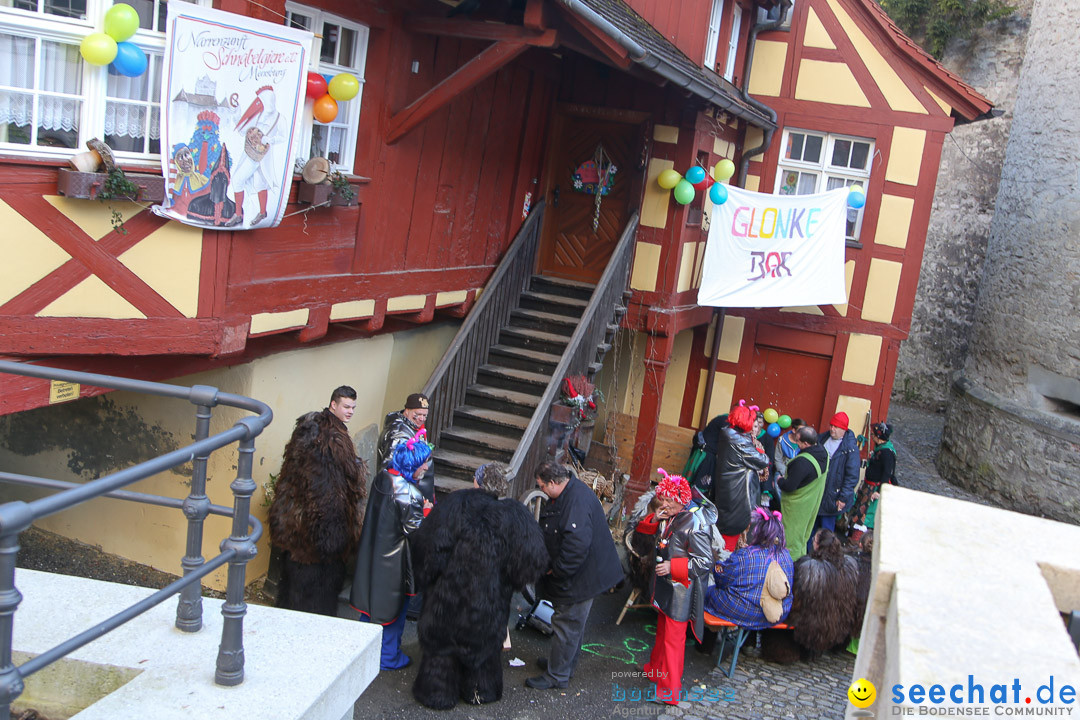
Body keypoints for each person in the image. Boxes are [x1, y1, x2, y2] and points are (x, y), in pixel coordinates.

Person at [409, 472, 548, 709]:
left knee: (442, 652)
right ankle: (480, 691)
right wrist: (507, 584)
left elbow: (424, 546)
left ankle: (438, 693)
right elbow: (533, 563)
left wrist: (428, 581)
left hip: (445, 602)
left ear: (477, 483)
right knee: (484, 653)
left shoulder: (454, 504)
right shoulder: (515, 516)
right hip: (489, 606)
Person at [268, 386, 367, 615]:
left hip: (295, 526)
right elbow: (326, 493)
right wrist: (334, 537)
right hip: (320, 535)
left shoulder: (309, 430)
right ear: (333, 405)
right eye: (346, 406)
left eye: (353, 407)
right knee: (315, 597)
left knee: (292, 587)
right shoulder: (330, 440)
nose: (350, 411)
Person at [527, 461, 623, 690]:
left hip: (581, 577)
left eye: (542, 486)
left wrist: (555, 570)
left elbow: (576, 547)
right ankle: (563, 665)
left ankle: (557, 676)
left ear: (553, 483)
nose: (541, 490)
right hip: (584, 572)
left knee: (567, 624)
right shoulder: (571, 492)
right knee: (572, 625)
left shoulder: (576, 502)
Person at [350, 430, 434, 670]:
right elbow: (417, 533)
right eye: (423, 465)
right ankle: (388, 658)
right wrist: (427, 512)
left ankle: (360, 652)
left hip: (372, 554)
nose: (425, 470)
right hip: (395, 565)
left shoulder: (383, 478)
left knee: (369, 607)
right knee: (392, 613)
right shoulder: (410, 494)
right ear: (414, 465)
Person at [636, 470, 715, 706]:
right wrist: (654, 518)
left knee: (673, 640)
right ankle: (655, 670)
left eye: (669, 500)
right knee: (662, 633)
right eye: (663, 499)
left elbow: (704, 562)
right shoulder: (669, 513)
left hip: (682, 589)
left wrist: (673, 566)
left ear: (681, 499)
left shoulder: (696, 521)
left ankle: (669, 692)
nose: (665, 504)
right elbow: (644, 535)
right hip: (667, 587)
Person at [705, 506, 793, 630]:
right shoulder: (787, 556)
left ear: (757, 532)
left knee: (708, 591)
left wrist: (717, 566)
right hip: (780, 613)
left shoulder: (746, 554)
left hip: (743, 611)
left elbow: (722, 578)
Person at [713, 400, 769, 552]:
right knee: (730, 540)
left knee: (725, 533)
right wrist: (758, 449)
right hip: (737, 497)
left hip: (727, 491)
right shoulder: (740, 441)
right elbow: (763, 460)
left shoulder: (727, 433)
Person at [778, 426, 829, 561]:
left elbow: (789, 486)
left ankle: (788, 563)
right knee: (803, 535)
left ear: (806, 444)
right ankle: (801, 562)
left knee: (791, 537)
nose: (796, 443)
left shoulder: (802, 462)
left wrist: (779, 481)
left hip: (797, 507)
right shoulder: (824, 453)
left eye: (798, 441)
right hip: (812, 503)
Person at [813, 412, 860, 543]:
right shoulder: (822, 439)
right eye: (831, 425)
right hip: (818, 490)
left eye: (836, 427)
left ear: (844, 429)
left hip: (833, 493)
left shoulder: (850, 449)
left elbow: (852, 476)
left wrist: (843, 497)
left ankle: (824, 556)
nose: (832, 429)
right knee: (812, 526)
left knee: (826, 531)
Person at [848, 422, 896, 544]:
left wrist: (879, 492)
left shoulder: (887, 453)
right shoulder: (879, 449)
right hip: (867, 486)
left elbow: (887, 473)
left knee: (866, 516)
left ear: (878, 437)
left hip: (874, 489)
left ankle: (860, 543)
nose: (872, 436)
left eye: (874, 434)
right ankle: (853, 538)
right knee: (858, 511)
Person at [379, 392, 434, 499]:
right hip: (405, 495)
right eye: (417, 414)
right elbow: (391, 469)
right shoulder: (398, 434)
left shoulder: (413, 427)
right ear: (407, 411)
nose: (421, 418)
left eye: (424, 415)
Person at [772, 418, 806, 498]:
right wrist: (784, 473)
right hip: (783, 469)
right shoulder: (782, 440)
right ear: (794, 430)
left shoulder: (805, 442)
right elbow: (778, 459)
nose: (803, 433)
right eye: (800, 430)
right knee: (778, 484)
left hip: (799, 471)